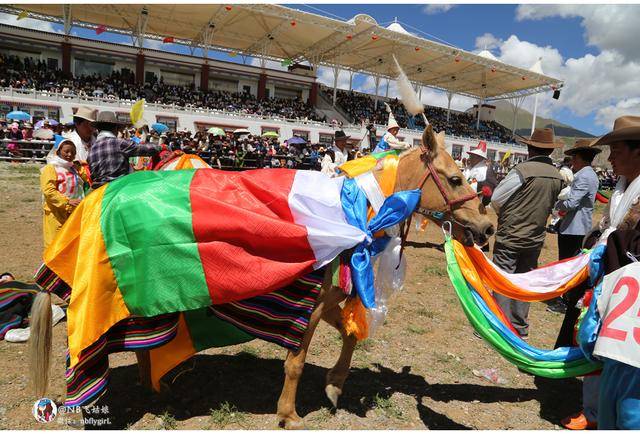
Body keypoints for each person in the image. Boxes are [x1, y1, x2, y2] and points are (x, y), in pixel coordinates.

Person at [566, 115, 640, 430]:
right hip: (609, 281)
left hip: (629, 291)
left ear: (638, 152)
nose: (610, 158)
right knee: (596, 342)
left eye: (617, 150)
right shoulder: (623, 188)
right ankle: (594, 408)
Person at [490, 128, 564, 339]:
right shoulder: (557, 176)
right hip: (535, 238)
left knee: (504, 278)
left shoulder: (522, 170)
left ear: (529, 148)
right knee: (525, 281)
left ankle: (500, 326)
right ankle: (519, 327)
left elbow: (497, 198)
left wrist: (503, 214)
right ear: (549, 151)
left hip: (511, 235)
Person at [548, 140, 601, 315]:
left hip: (574, 228)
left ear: (580, 158)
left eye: (574, 158)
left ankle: (565, 300)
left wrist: (556, 204)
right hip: (576, 226)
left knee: (568, 264)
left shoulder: (584, 176)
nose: (572, 161)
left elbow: (571, 202)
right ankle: (567, 297)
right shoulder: (588, 174)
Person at [88, 111, 161, 189]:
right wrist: (160, 147)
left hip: (97, 194)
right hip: (117, 190)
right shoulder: (119, 143)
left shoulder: (92, 149)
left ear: (98, 129)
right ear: (115, 128)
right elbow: (148, 149)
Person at [40, 137, 87, 250]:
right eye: (66, 151)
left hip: (73, 213)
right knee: (55, 246)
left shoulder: (74, 168)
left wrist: (83, 165)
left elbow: (87, 178)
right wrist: (67, 202)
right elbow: (48, 191)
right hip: (55, 214)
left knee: (70, 245)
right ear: (58, 151)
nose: (70, 154)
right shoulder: (51, 168)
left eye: (73, 152)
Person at [463, 141, 497, 207]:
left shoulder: (486, 170)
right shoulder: (468, 168)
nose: (470, 158)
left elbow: (491, 188)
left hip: (476, 203)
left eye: (472, 156)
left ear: (479, 158)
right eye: (470, 156)